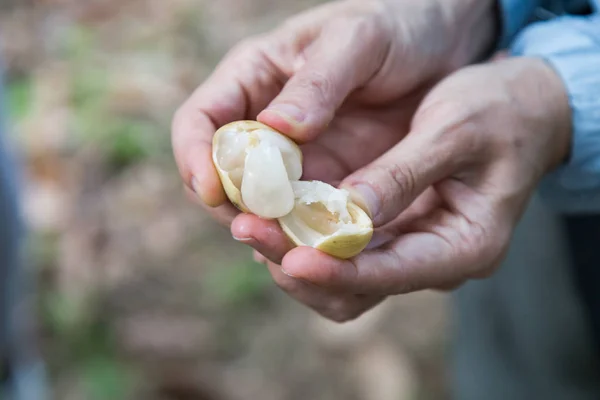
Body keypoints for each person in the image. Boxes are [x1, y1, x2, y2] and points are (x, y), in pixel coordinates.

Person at [172, 0, 600, 398]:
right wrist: (463, 11)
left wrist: (564, 96)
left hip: (526, 135)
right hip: (505, 132)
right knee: (525, 350)